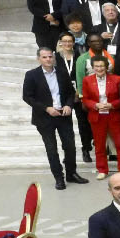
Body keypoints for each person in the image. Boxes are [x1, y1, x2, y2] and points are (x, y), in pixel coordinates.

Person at [24, 48, 88, 190]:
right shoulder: (31, 75)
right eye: (44, 57)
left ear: (54, 58)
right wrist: (46, 108)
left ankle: (71, 173)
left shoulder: (62, 72)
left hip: (63, 115)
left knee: (70, 147)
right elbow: (27, 97)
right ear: (38, 59)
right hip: (44, 117)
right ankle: (59, 177)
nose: (48, 59)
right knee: (51, 149)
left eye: (50, 57)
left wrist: (68, 105)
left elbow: (71, 94)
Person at [81, 55, 120, 178]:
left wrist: (112, 105)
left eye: (102, 65)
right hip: (97, 115)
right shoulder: (87, 80)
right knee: (99, 144)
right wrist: (95, 105)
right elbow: (85, 99)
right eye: (96, 66)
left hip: (114, 114)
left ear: (107, 67)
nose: (99, 68)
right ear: (92, 67)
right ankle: (102, 169)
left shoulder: (117, 79)